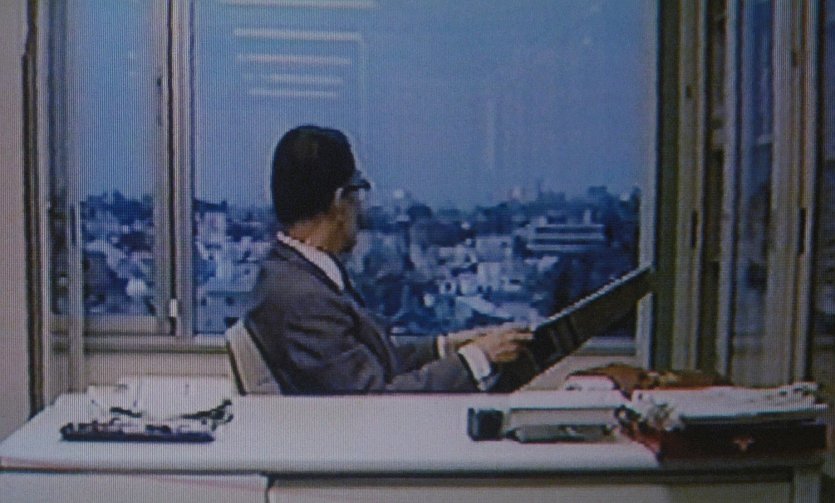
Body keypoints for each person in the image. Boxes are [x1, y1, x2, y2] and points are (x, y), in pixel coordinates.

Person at [244, 125, 532, 394]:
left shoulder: (293, 275)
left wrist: (447, 347)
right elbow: (377, 398)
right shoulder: (304, 298)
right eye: (358, 194)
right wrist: (478, 359)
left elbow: (369, 357)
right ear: (339, 201)